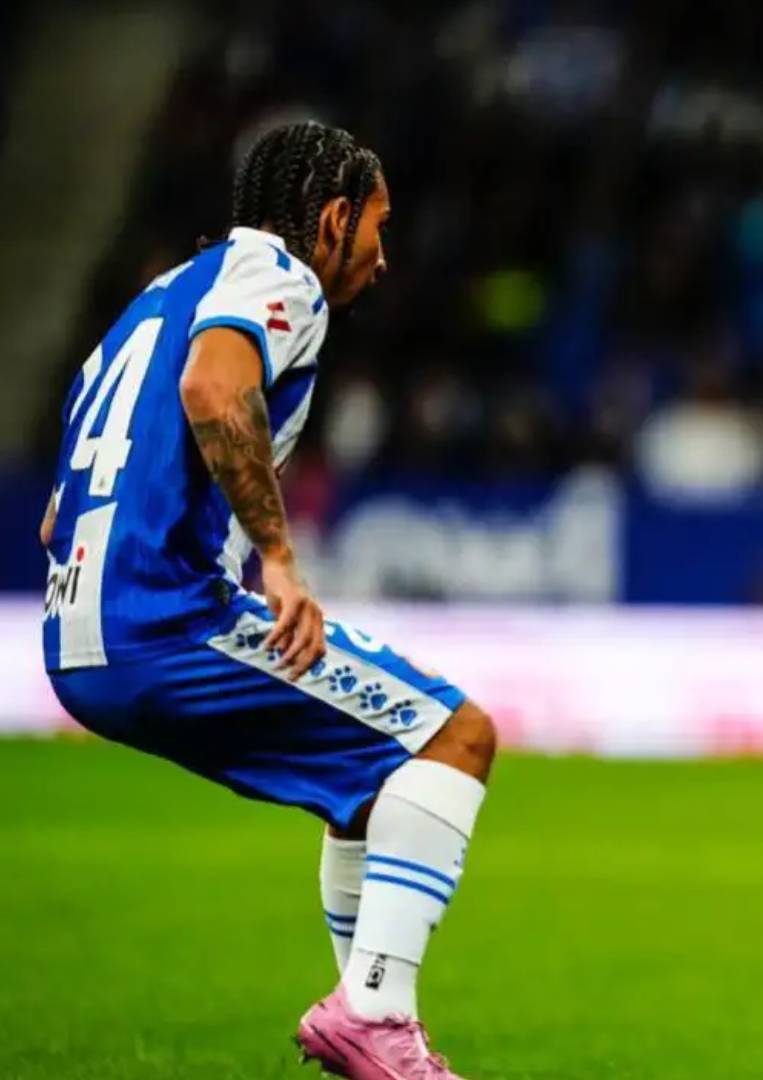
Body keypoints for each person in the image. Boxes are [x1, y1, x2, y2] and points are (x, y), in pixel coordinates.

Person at [40, 120, 493, 1080]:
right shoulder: (279, 277)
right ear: (332, 219)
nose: (383, 252)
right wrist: (279, 561)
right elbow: (214, 387)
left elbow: (53, 519)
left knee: (370, 784)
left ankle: (376, 1037)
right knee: (457, 738)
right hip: (160, 618)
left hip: (72, 633)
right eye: (377, 224)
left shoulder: (150, 304)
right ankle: (373, 1014)